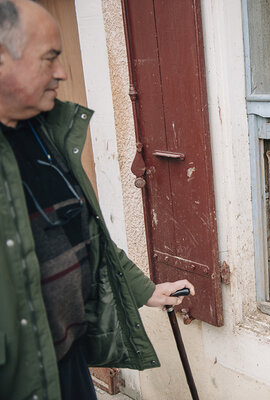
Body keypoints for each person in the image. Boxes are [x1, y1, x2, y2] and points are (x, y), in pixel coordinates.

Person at [0, 1, 195, 399]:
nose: (63, 72)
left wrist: (146, 289)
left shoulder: (47, 133)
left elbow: (87, 234)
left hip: (66, 363)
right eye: (50, 58)